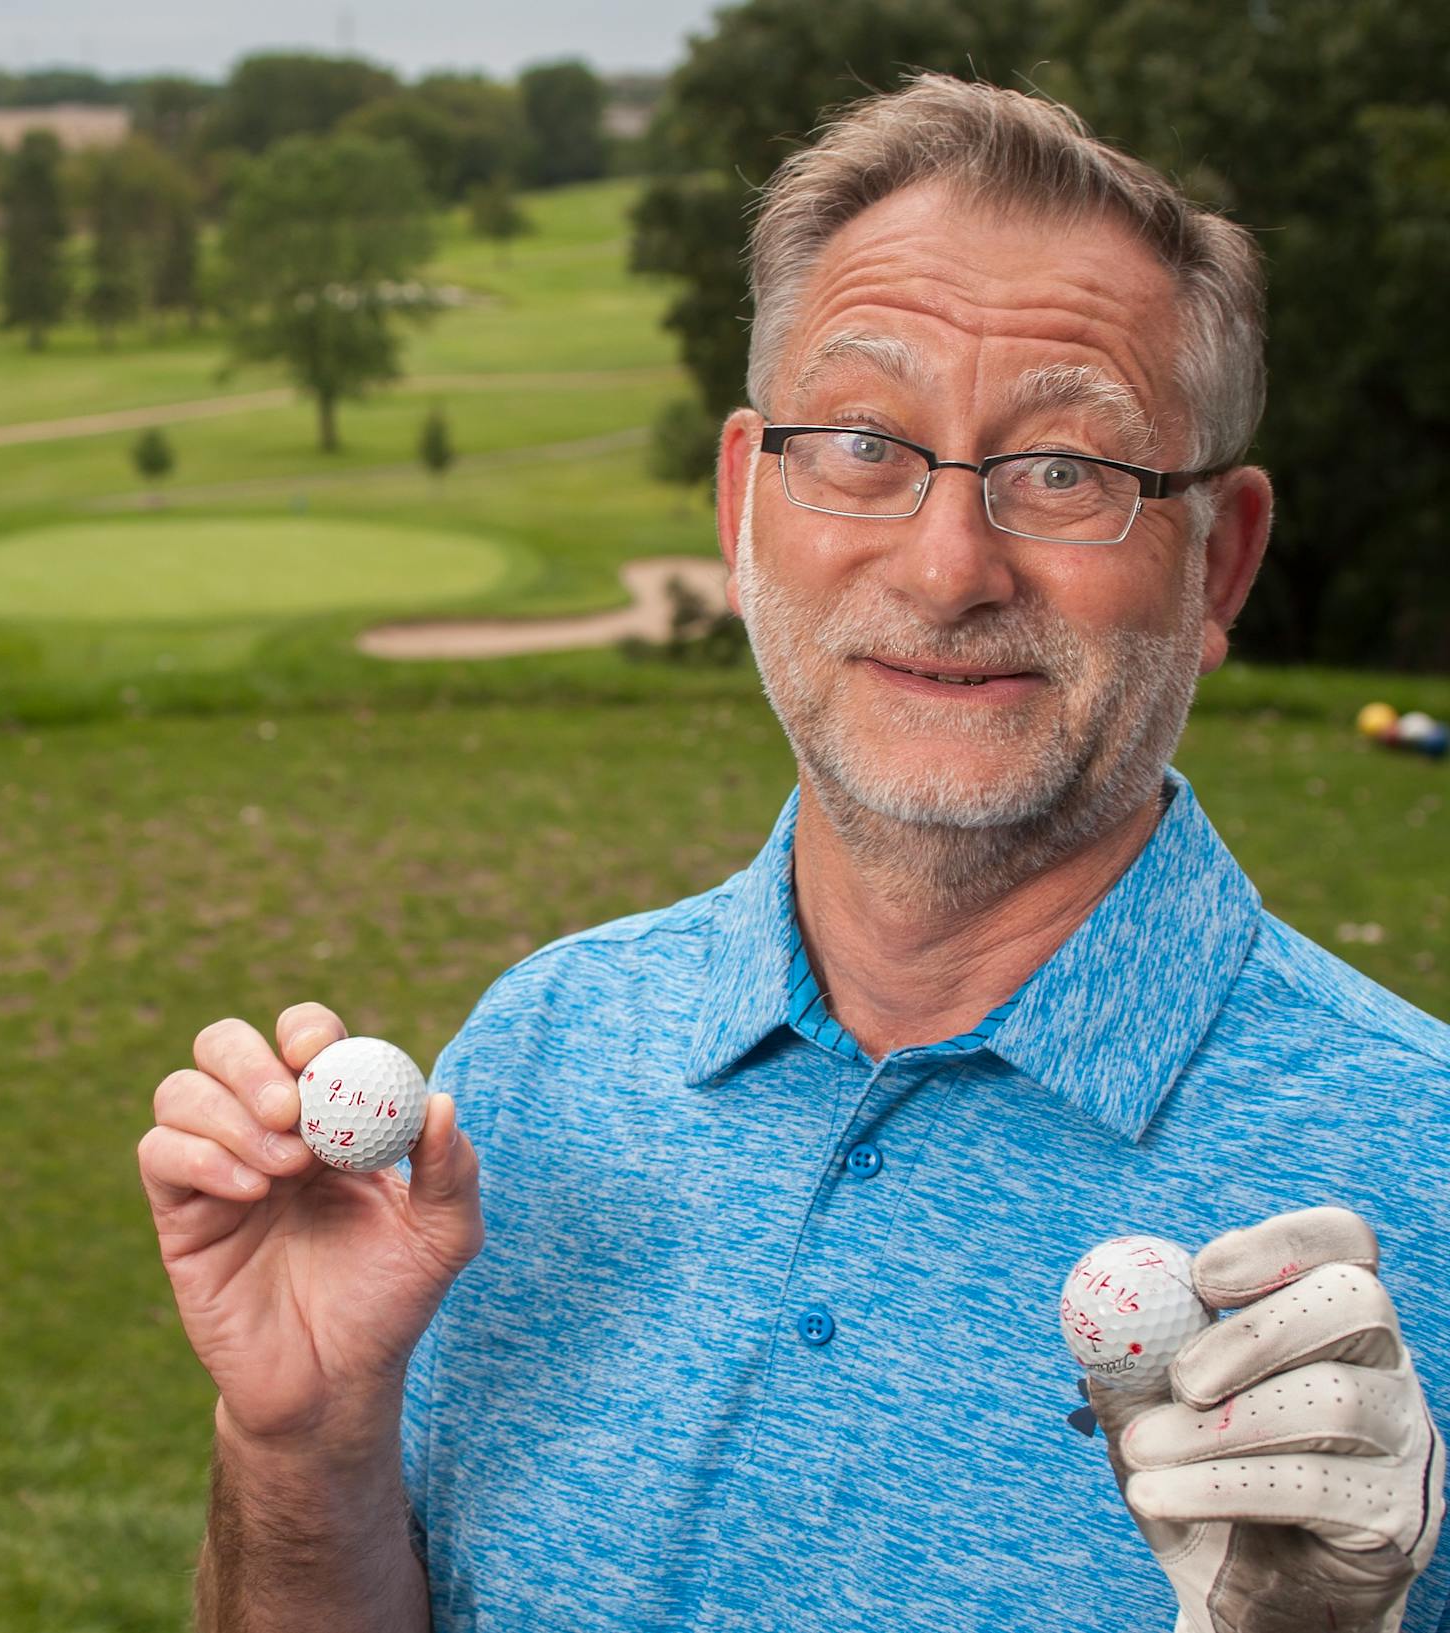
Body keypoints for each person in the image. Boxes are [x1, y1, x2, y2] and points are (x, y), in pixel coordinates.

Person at [137, 76, 1450, 1632]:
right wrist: (302, 1441)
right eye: (865, 443)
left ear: (1219, 559)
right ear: (746, 501)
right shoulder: (539, 1055)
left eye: (1065, 470)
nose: (950, 565)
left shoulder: (1422, 1168)